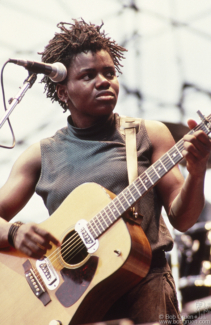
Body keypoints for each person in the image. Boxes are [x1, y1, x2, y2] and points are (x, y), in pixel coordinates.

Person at [0, 19, 211, 324]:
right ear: (62, 91)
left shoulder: (148, 134)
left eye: (109, 73)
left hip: (144, 287)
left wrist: (196, 171)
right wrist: (16, 233)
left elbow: (183, 218)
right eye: (88, 75)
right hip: (70, 300)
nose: (104, 81)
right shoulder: (39, 156)